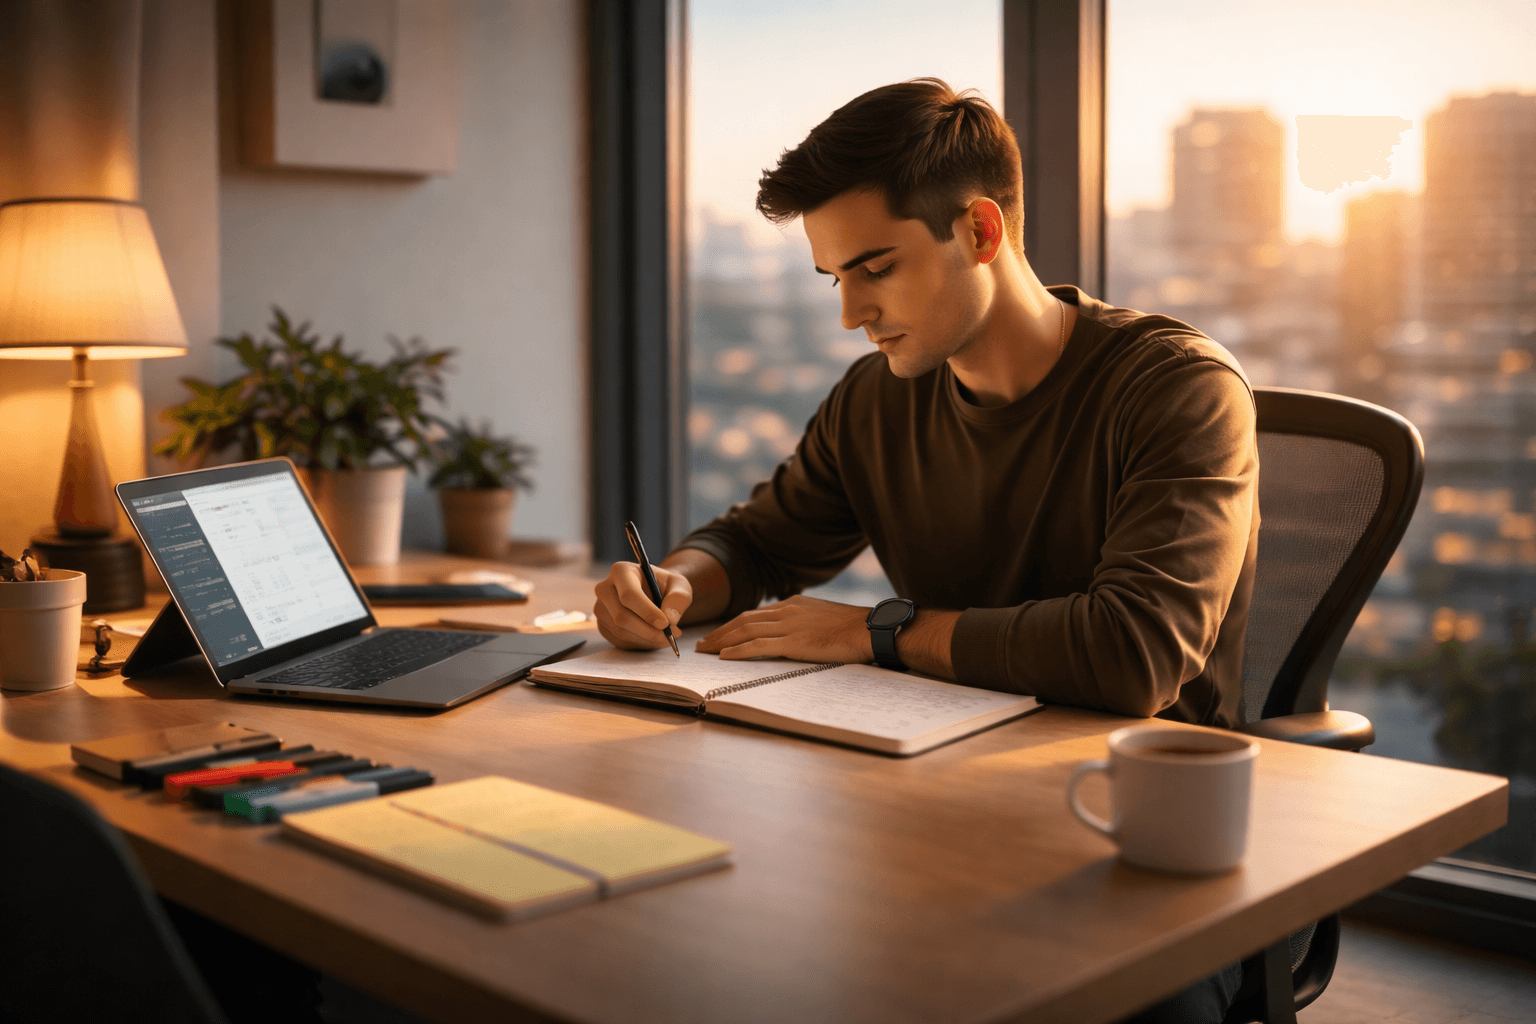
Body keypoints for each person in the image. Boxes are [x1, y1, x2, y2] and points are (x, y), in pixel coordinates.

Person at [592, 79, 1257, 1022]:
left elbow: (1133, 653)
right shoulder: (878, 400)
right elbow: (756, 541)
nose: (850, 313)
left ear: (980, 232)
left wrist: (876, 633)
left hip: (1140, 843)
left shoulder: (1178, 392)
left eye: (876, 268)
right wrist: (674, 585)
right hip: (944, 803)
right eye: (835, 279)